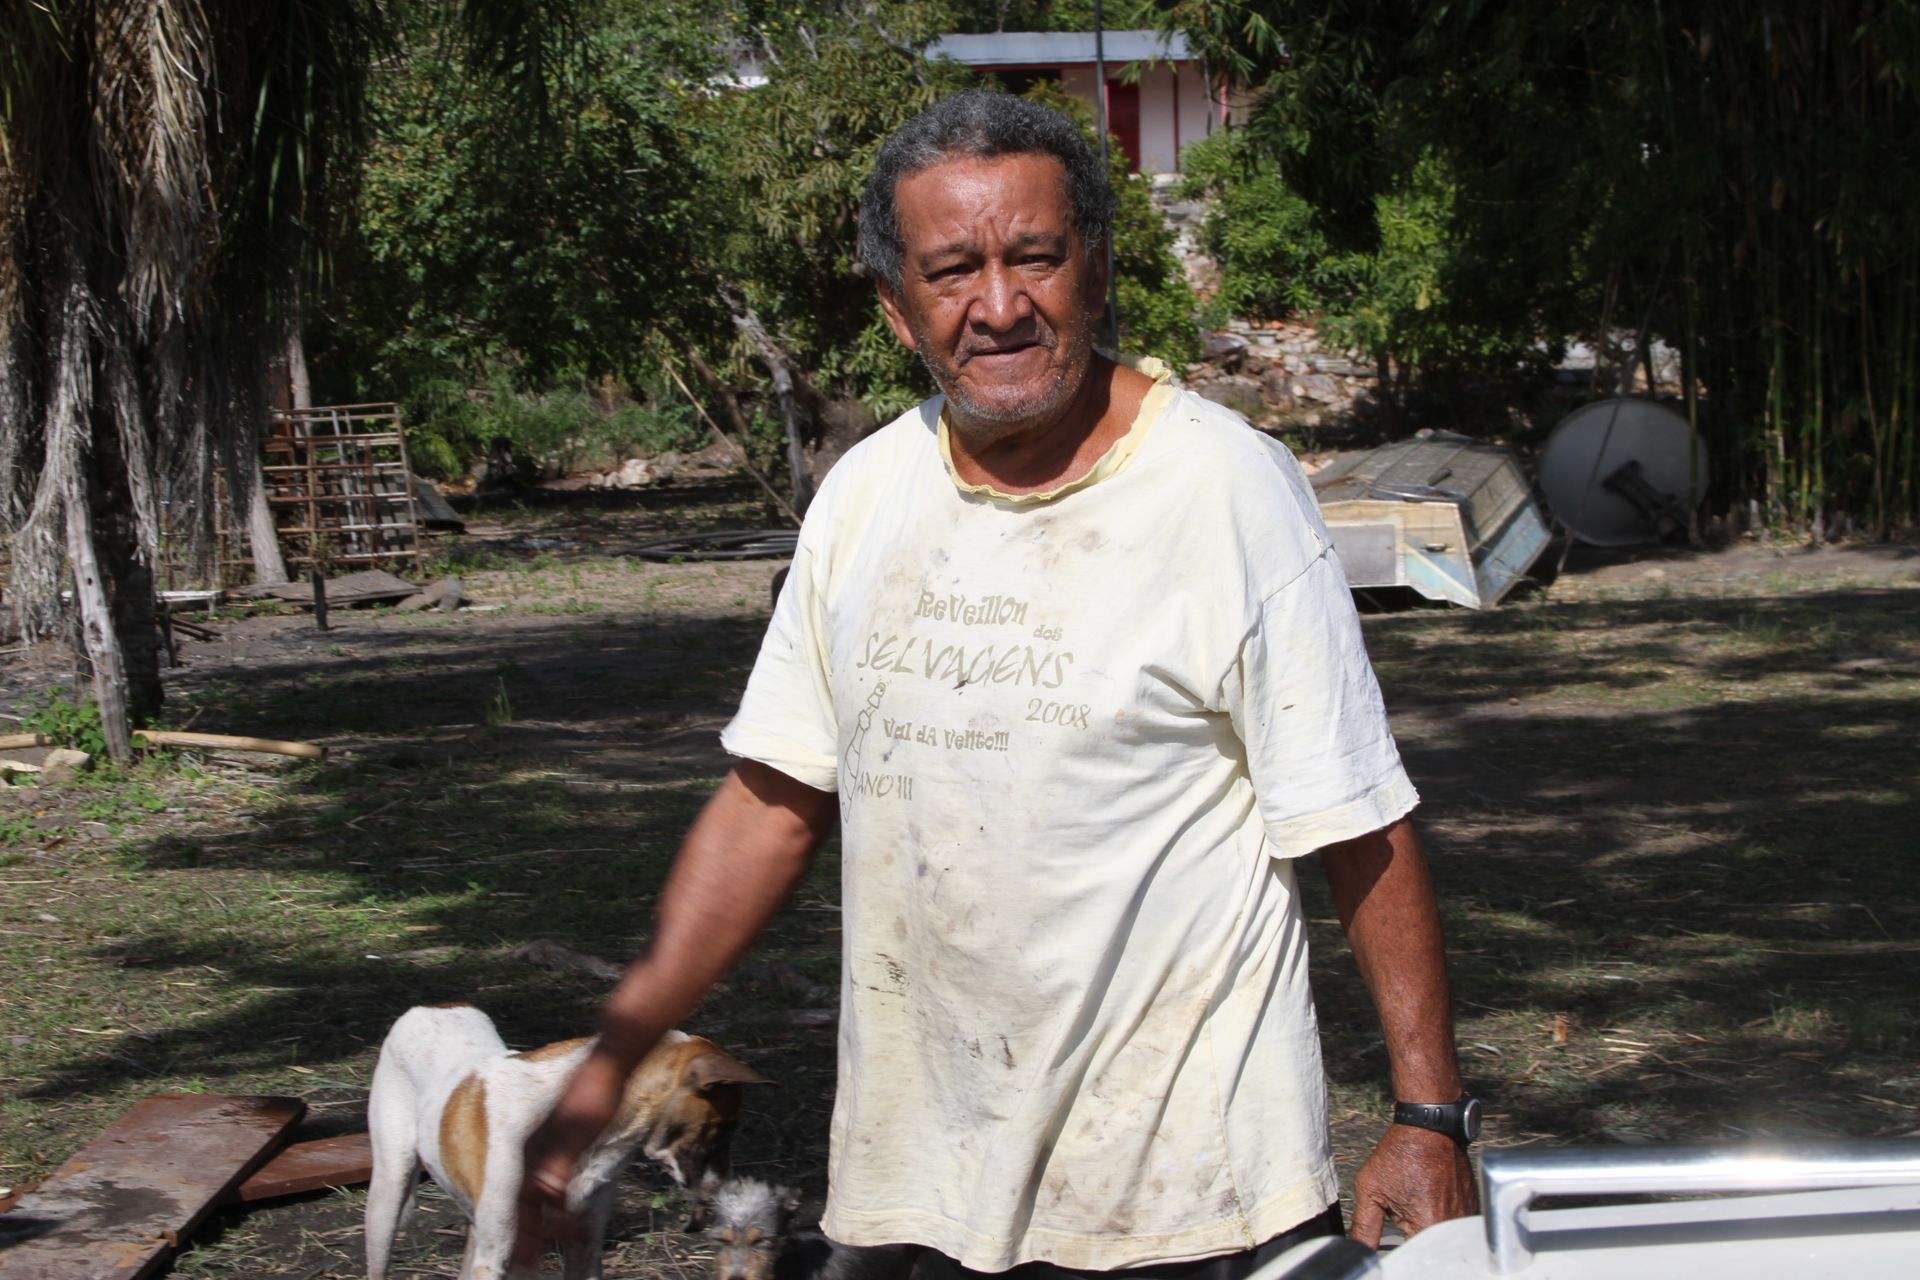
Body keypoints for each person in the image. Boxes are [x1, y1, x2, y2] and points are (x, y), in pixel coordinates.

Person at [515, 90, 1478, 1278]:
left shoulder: (1225, 490)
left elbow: (1355, 815)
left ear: (1098, 268)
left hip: (1181, 1195)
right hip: (918, 1178)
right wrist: (609, 1060)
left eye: (1036, 257)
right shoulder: (866, 499)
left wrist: (1428, 1115)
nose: (1001, 305)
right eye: (952, 270)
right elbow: (770, 805)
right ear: (896, 306)